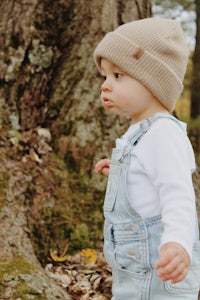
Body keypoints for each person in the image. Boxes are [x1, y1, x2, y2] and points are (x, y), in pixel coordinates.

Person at [93, 17, 200, 300]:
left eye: (117, 76)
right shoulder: (139, 132)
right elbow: (146, 180)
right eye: (104, 76)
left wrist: (178, 243)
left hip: (159, 275)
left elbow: (178, 195)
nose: (105, 85)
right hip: (135, 274)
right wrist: (120, 171)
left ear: (153, 82)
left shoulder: (164, 133)